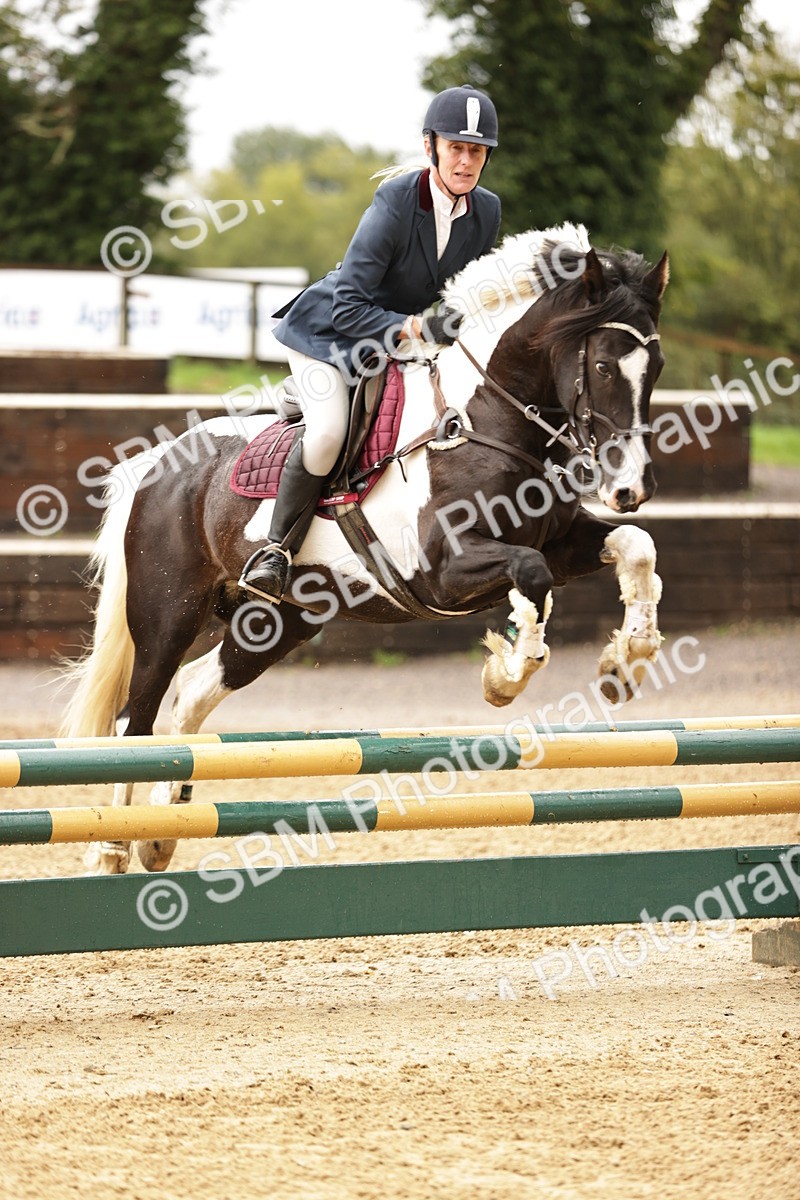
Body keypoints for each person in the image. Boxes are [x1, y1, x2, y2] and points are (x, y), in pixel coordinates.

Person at [240, 84, 502, 603]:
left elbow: (466, 296)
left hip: (395, 343)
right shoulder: (397, 201)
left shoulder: (486, 211)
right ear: (430, 146)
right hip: (328, 334)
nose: (466, 161)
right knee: (328, 433)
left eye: (477, 151)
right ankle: (275, 550)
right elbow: (348, 307)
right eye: (456, 147)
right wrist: (417, 329)